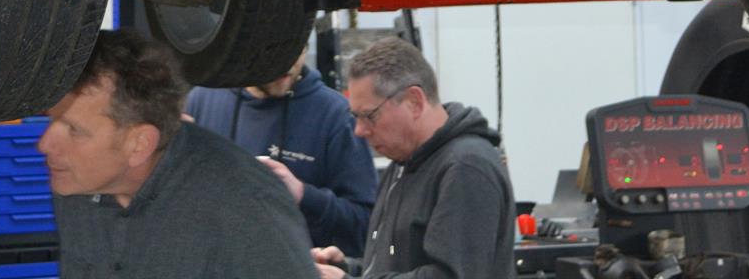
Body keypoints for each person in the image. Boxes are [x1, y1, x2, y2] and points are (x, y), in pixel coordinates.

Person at [41, 29, 317, 279]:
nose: (44, 144)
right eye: (52, 120)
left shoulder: (247, 207)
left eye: (74, 130)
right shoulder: (78, 185)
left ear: (139, 145)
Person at [311, 36, 515, 279]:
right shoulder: (402, 164)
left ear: (414, 102)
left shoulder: (466, 168)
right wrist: (349, 268)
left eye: (369, 116)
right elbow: (395, 265)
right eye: (356, 117)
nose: (359, 130)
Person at [187, 50, 379, 256]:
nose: (287, 62)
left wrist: (304, 195)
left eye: (296, 46)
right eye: (273, 49)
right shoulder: (202, 100)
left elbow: (366, 229)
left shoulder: (336, 115)